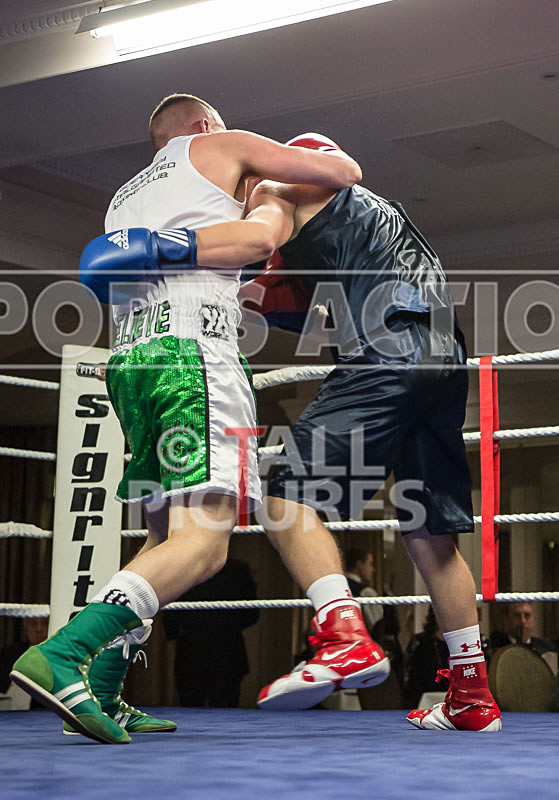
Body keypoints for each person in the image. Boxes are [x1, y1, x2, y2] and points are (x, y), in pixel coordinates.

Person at [10, 97, 361, 745]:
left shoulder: (124, 198)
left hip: (132, 359)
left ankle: (108, 691)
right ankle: (62, 653)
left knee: (163, 538)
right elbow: (340, 173)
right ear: (204, 125)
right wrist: (274, 197)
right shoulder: (219, 145)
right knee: (205, 542)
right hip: (192, 355)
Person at [126, 131, 500, 729]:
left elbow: (260, 239)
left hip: (386, 348)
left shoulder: (277, 187)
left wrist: (161, 249)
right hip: (441, 355)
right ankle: (473, 696)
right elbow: (289, 302)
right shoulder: (375, 217)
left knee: (282, 496)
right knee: (432, 535)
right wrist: (238, 294)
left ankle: (342, 636)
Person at [164, 557, 258, 707]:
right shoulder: (238, 568)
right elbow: (251, 614)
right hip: (224, 649)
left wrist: (173, 630)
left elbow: (171, 613)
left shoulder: (184, 567)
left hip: (194, 649)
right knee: (223, 709)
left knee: (190, 710)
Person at [490, 602, 556, 665]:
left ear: (534, 619)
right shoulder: (495, 648)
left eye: (527, 616)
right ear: (506, 619)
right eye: (517, 616)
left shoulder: (546, 649)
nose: (522, 621)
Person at [343, 548, 383, 634]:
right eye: (370, 564)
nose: (373, 569)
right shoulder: (366, 593)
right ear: (359, 565)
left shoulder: (334, 588)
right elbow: (376, 628)